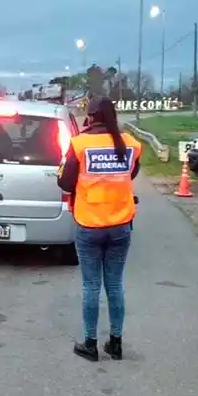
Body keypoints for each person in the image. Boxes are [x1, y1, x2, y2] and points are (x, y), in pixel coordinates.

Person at [57, 96, 142, 362]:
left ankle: (90, 344)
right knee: (115, 285)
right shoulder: (130, 144)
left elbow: (65, 182)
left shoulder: (80, 144)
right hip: (120, 225)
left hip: (90, 224)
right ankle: (115, 343)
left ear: (91, 116)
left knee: (91, 286)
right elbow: (132, 173)